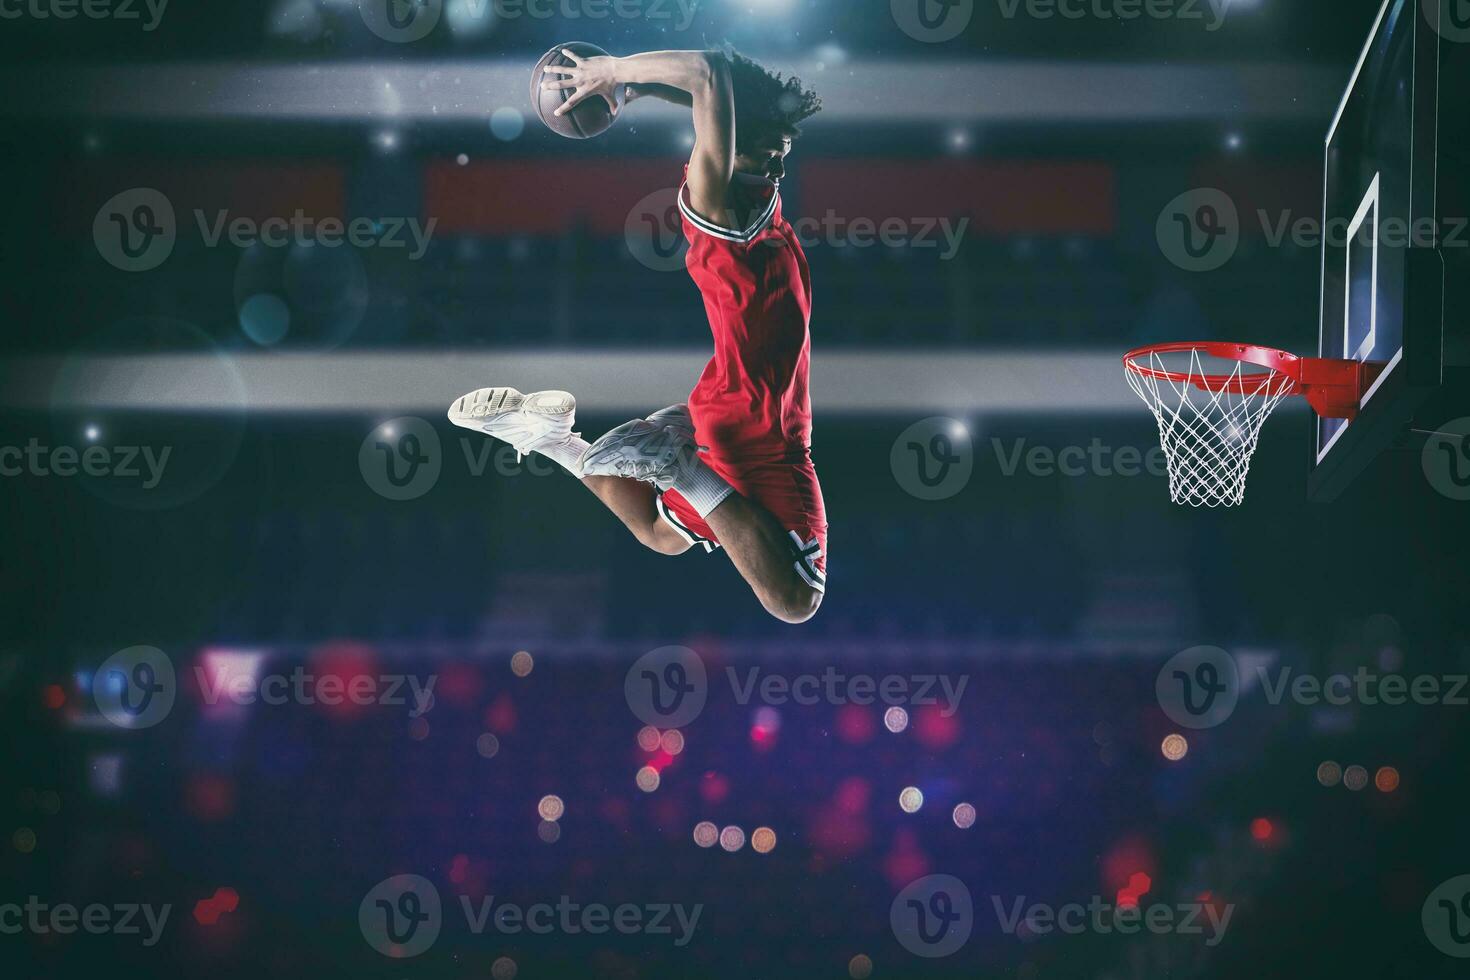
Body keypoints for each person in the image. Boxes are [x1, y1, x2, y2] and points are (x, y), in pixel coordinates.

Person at [448, 47, 825, 624]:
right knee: (796, 600)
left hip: (729, 404)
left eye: (783, 156)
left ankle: (545, 434)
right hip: (763, 431)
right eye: (769, 156)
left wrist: (643, 91)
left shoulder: (747, 182)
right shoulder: (719, 197)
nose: (777, 171)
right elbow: (708, 71)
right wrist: (616, 71)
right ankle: (678, 469)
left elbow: (710, 95)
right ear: (730, 146)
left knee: (659, 533)